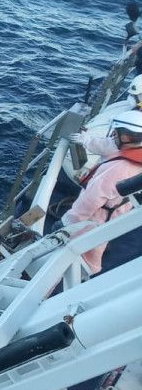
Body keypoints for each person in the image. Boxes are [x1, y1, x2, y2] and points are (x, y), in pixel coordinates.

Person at [65, 110, 142, 274]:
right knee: (101, 239)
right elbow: (108, 146)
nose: (113, 136)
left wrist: (67, 224)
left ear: (126, 137)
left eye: (116, 133)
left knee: (87, 248)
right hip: (120, 208)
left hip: (100, 215)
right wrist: (87, 140)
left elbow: (90, 201)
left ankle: (86, 274)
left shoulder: (118, 168)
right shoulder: (134, 152)